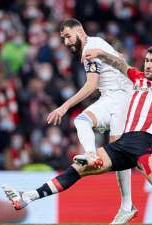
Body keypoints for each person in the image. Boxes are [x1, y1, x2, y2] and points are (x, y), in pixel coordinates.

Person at [3, 41, 152, 224]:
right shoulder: (137, 77)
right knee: (79, 168)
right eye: (146, 61)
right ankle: (28, 197)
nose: (148, 65)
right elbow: (119, 62)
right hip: (123, 143)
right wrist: (99, 54)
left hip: (144, 142)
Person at [46, 19, 135, 223]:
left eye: (68, 36)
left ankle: (127, 205)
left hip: (122, 97)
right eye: (63, 39)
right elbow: (119, 60)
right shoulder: (96, 43)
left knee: (120, 150)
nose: (67, 42)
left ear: (80, 31)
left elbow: (91, 85)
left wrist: (64, 106)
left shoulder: (90, 49)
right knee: (82, 121)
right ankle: (92, 155)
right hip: (110, 97)